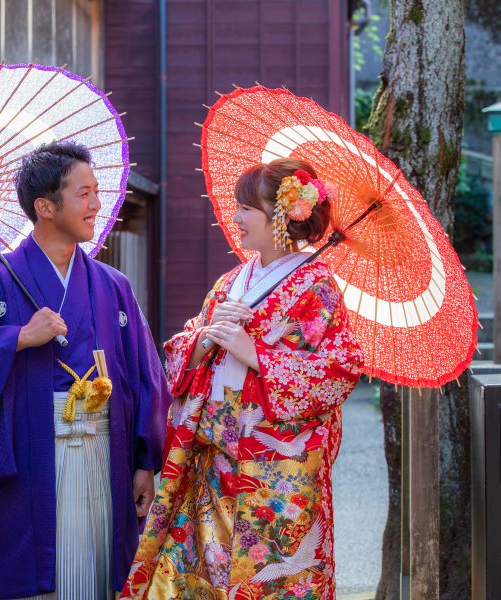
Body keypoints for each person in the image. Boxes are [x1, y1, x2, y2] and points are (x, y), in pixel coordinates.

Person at [0, 141, 170, 600]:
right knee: (33, 582)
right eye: (83, 193)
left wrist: (145, 461)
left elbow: (144, 374)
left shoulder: (113, 286)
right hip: (29, 456)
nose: (95, 204)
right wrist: (17, 336)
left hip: (105, 453)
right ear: (45, 207)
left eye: (96, 192)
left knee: (97, 579)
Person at [121, 158, 364, 600]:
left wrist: (255, 353)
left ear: (281, 215)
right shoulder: (232, 281)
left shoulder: (317, 286)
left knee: (273, 578)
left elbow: (337, 370)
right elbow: (183, 350)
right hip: (212, 461)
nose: (235, 218)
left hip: (274, 472)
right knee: (201, 574)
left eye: (246, 208)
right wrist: (206, 338)